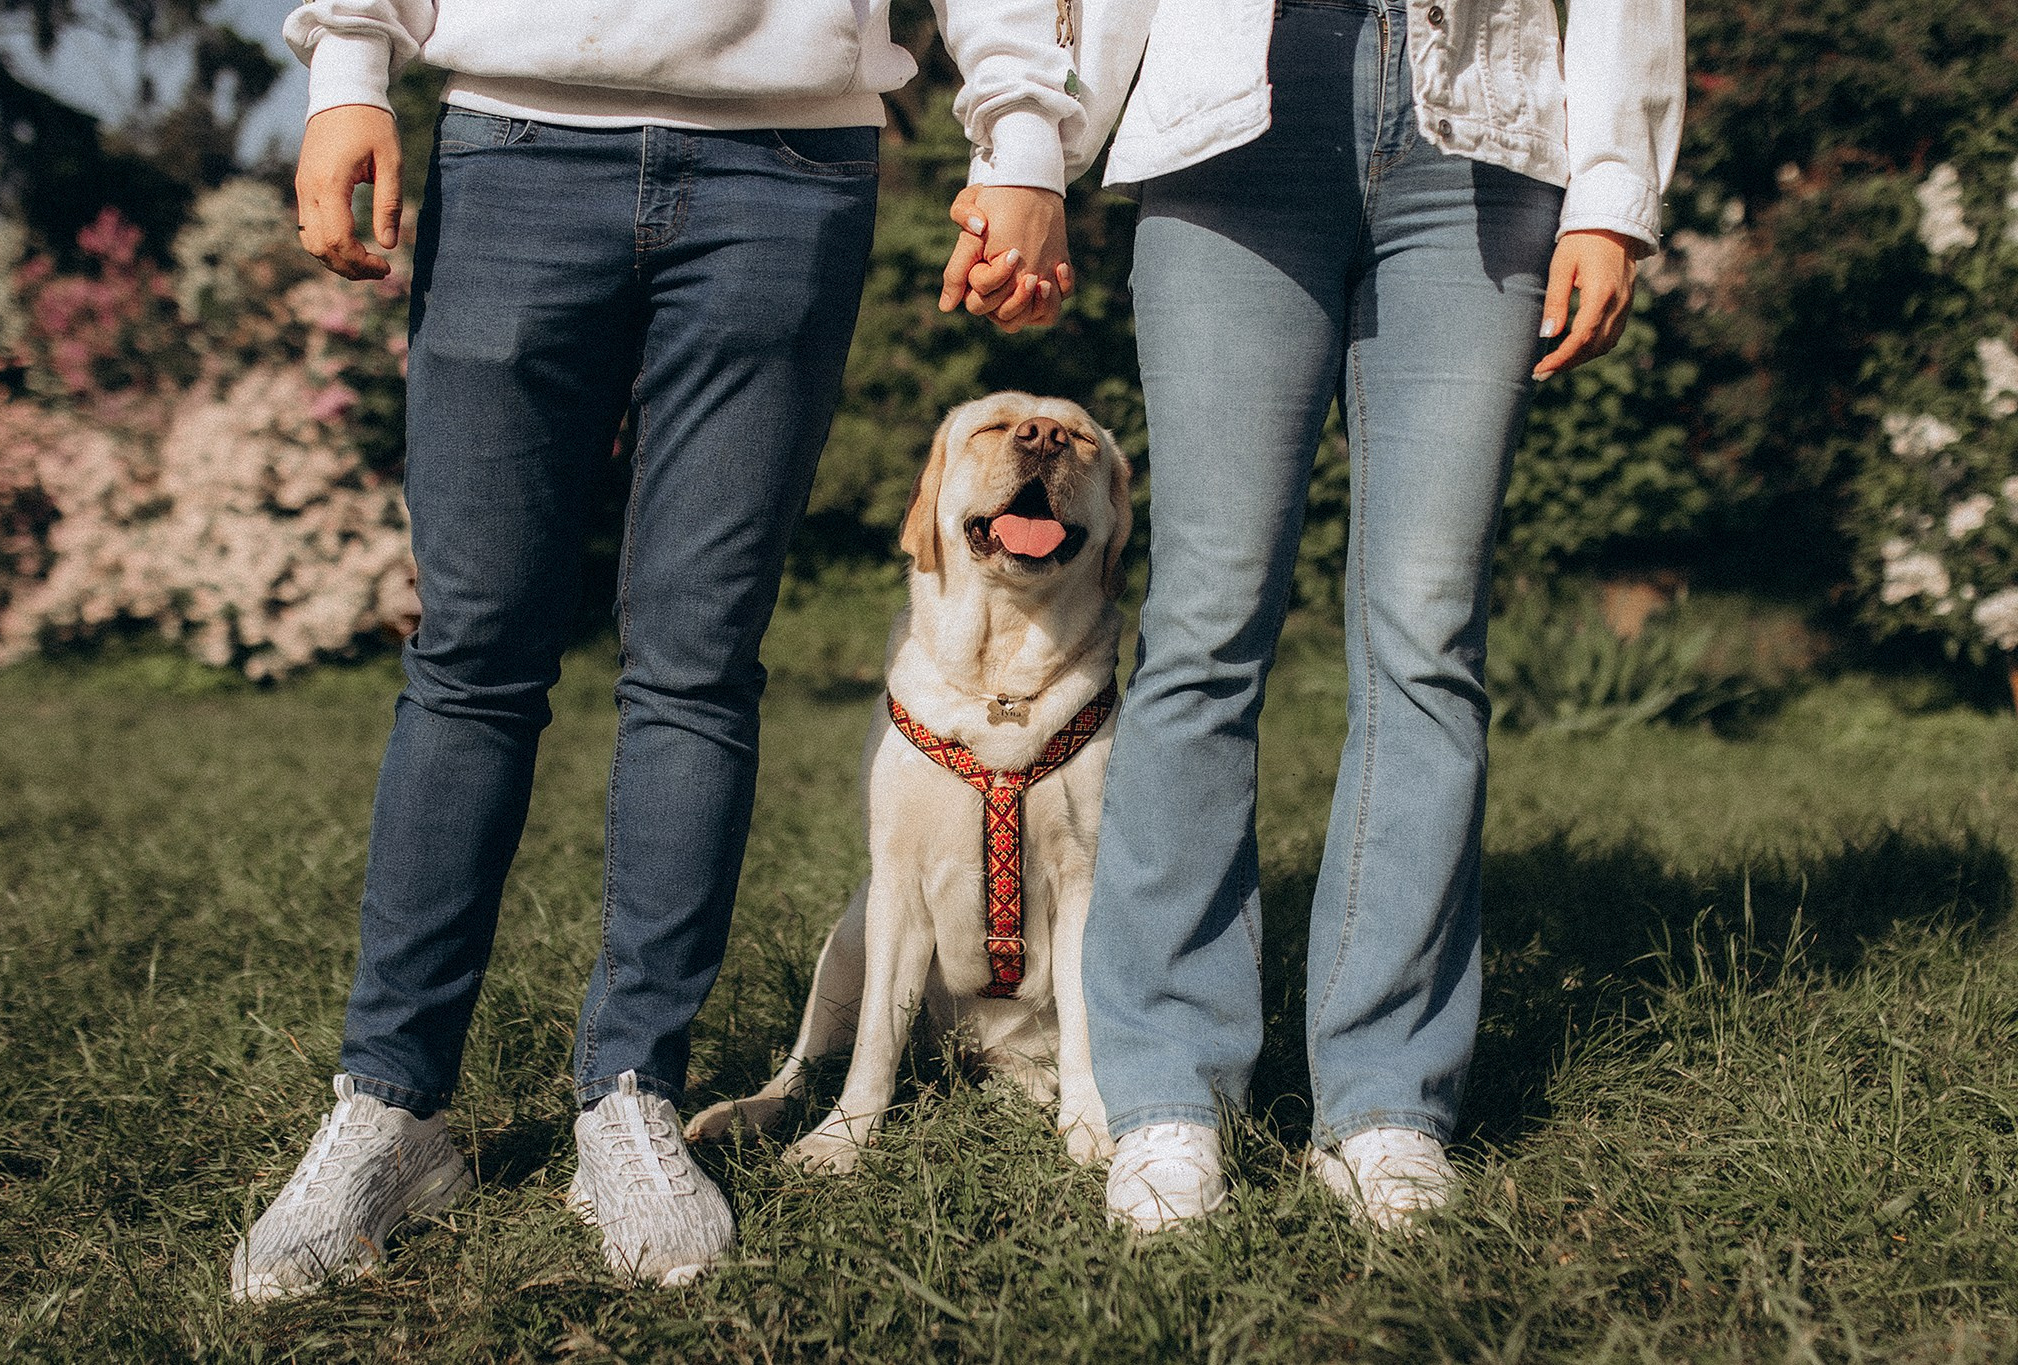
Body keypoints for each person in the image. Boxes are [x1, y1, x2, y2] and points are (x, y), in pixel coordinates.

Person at [231, 0, 1083, 1298]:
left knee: (697, 662)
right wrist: (351, 62)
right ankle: (389, 1108)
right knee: (472, 658)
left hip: (789, 165)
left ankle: (630, 1095)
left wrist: (1020, 135)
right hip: (515, 140)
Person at [947, 0, 1683, 1232]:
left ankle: (1387, 1101)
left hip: (1479, 142)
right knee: (1204, 624)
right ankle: (1166, 1091)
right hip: (1233, 129)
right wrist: (1028, 150)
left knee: (1427, 638)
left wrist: (1610, 190)